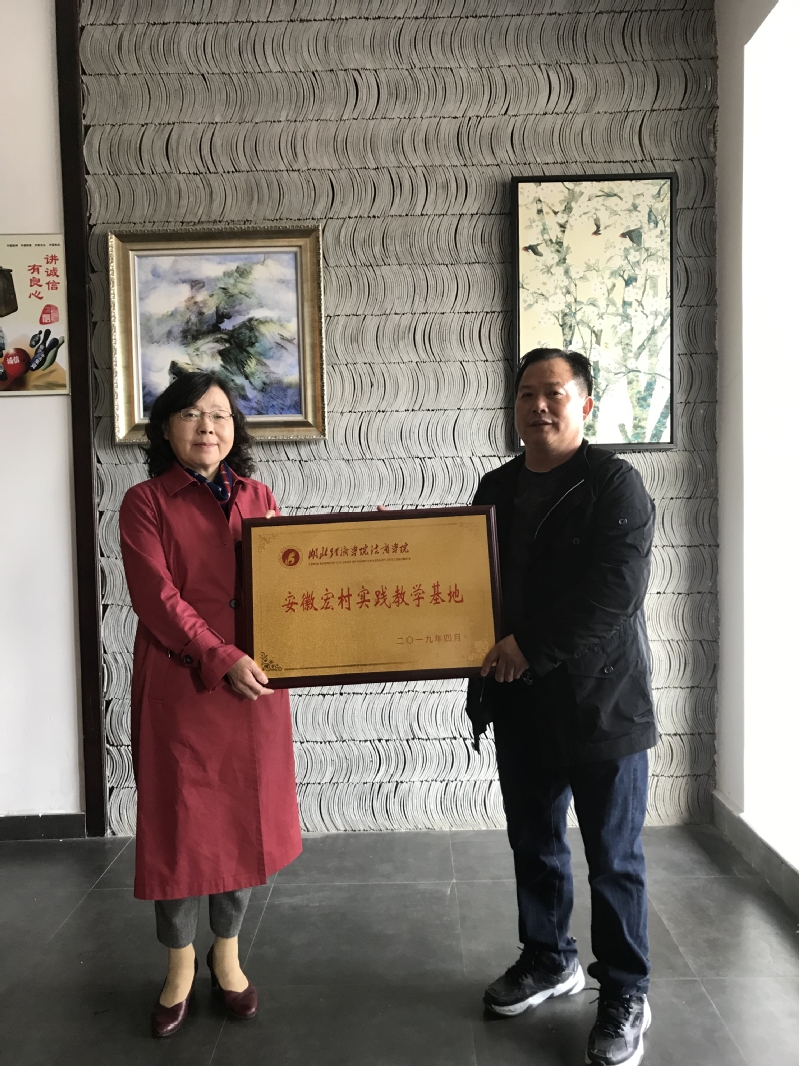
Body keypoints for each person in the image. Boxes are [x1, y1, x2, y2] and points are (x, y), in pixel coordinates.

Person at [467, 348, 657, 1066]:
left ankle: (626, 990)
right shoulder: (496, 485)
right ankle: (549, 958)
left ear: (584, 404)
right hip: (521, 703)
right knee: (535, 842)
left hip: (603, 702)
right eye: (526, 394)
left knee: (614, 857)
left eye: (553, 392)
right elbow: (465, 577)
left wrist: (529, 646)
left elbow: (615, 594)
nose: (538, 406)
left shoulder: (613, 483)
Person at [119, 372, 301, 1038]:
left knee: (241, 824)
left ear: (235, 429)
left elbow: (287, 581)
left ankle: (227, 954)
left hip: (253, 687)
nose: (208, 426)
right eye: (192, 414)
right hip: (183, 686)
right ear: (166, 428)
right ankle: (178, 964)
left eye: (220, 415)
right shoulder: (144, 502)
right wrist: (217, 655)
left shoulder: (258, 496)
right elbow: (156, 598)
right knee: (177, 829)